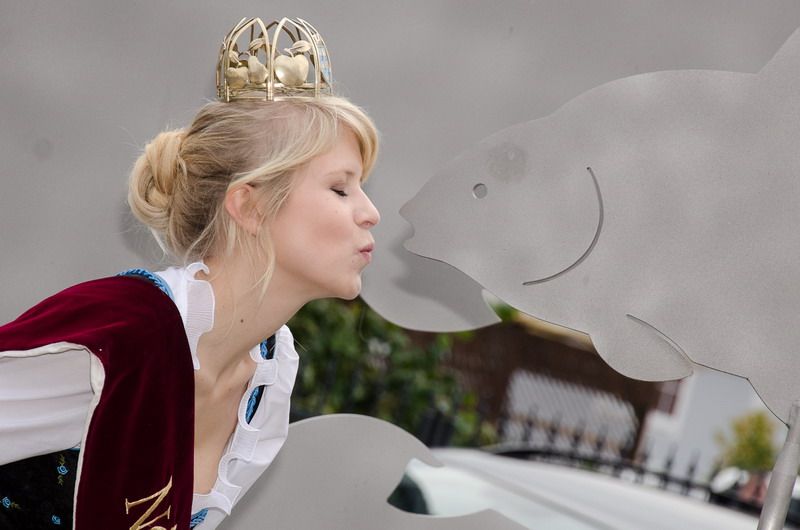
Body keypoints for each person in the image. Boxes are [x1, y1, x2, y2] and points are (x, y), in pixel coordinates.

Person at [0, 17, 379, 530]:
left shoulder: (268, 381)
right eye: (340, 188)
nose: (369, 212)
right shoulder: (120, 333)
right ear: (250, 206)